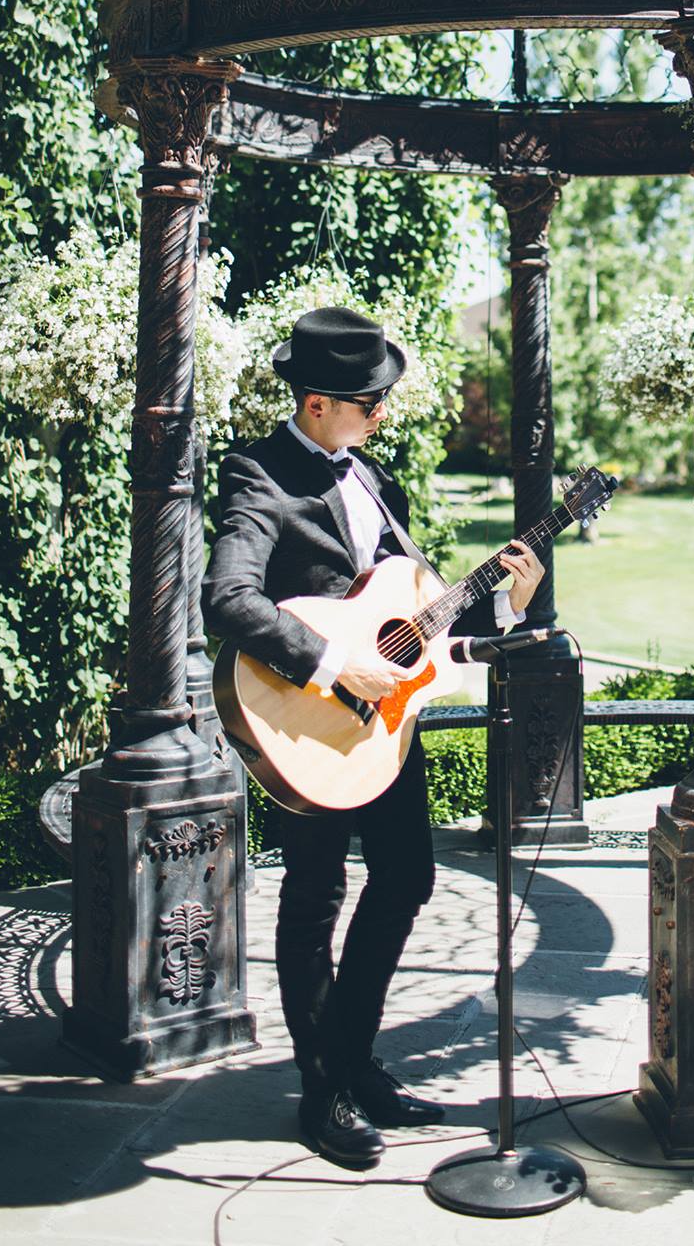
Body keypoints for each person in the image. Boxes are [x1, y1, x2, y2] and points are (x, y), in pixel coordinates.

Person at [202, 306, 543, 1167]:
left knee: (406, 880)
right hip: (307, 728)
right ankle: (322, 1093)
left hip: (388, 729)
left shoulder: (375, 480)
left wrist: (508, 605)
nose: (379, 413)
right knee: (313, 900)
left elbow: (412, 630)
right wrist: (330, 669)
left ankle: (355, 1059)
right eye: (366, 402)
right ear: (316, 403)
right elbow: (230, 601)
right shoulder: (258, 477)